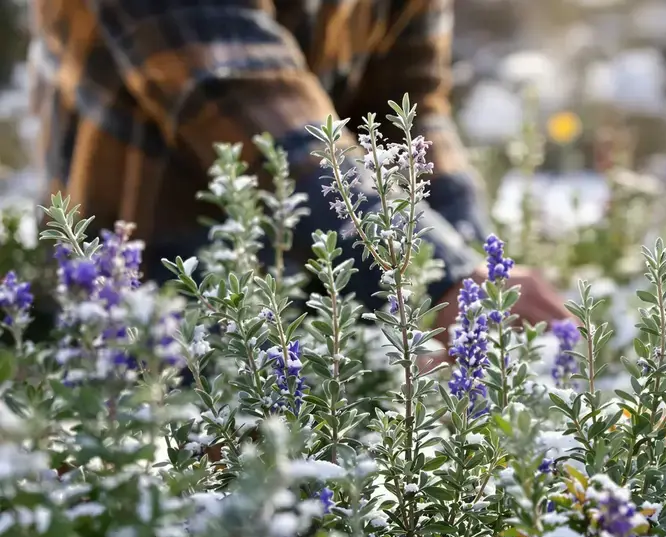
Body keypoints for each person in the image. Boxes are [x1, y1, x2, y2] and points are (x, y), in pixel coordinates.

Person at [27, 0, 571, 335]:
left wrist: (478, 279)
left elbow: (410, 109)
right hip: (140, 301)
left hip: (312, 303)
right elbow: (240, 88)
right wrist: (435, 278)